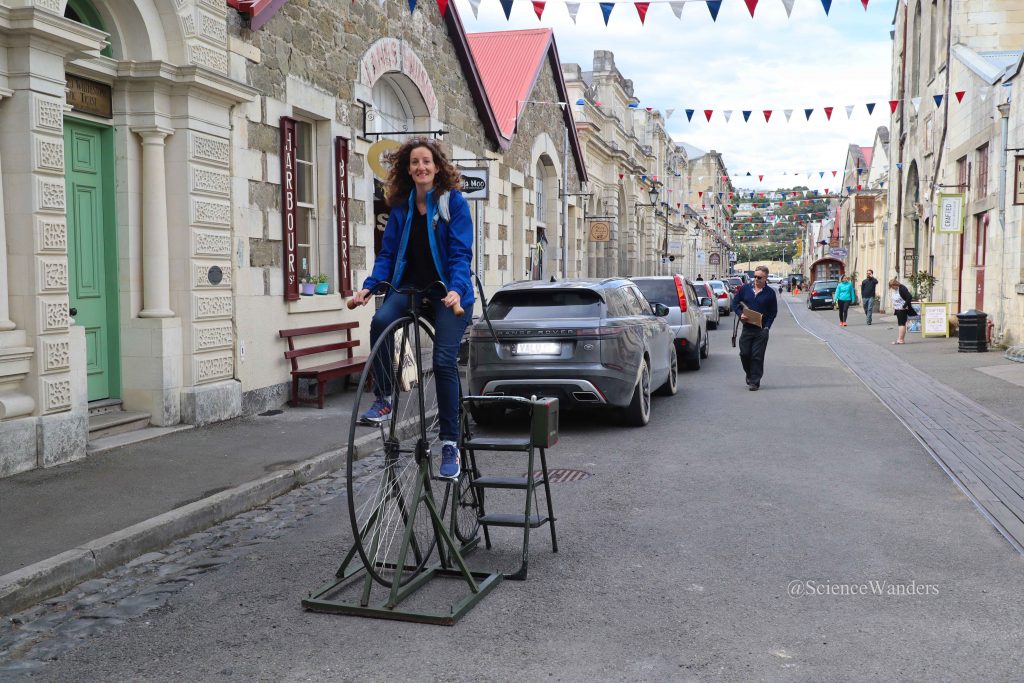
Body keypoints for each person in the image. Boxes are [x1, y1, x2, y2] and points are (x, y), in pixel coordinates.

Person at [350, 138, 474, 479]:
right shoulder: (402, 208)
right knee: (381, 321)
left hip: (448, 294)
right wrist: (370, 286)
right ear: (408, 168)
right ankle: (385, 398)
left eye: (427, 161)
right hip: (411, 289)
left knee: (444, 361)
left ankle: (450, 444)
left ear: (437, 167)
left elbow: (461, 255)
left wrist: (456, 289)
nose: (421, 167)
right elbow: (388, 255)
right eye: (415, 162)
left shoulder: (454, 203)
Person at [731, 265, 778, 391]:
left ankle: (754, 381)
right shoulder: (745, 289)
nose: (756, 279)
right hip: (747, 328)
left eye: (759, 277)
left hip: (761, 330)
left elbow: (773, 312)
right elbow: (735, 303)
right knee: (744, 354)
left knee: (757, 356)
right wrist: (740, 314)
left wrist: (767, 327)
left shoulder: (770, 293)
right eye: (755, 276)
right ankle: (750, 374)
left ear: (766, 278)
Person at [889, 277, 915, 345]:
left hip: (902, 309)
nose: (892, 288)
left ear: (895, 284)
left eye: (892, 287)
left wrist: (904, 306)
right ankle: (900, 338)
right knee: (900, 324)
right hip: (898, 309)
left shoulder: (902, 288)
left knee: (901, 324)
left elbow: (909, 297)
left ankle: (901, 339)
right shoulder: (897, 289)